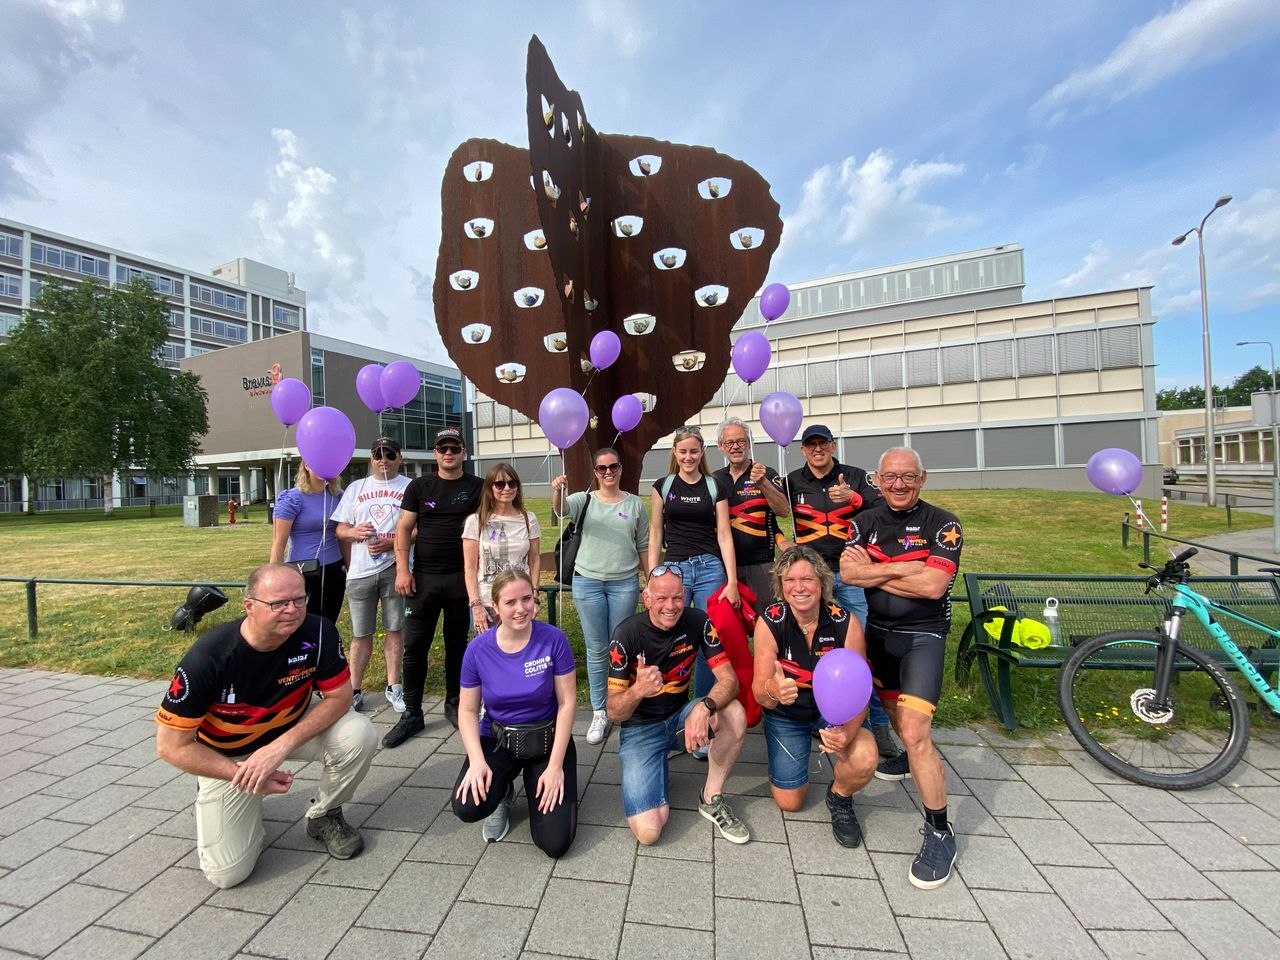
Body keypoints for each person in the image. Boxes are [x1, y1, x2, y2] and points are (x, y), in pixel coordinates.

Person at [155, 563, 377, 889]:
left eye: (299, 600)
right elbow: (170, 746)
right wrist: (241, 775)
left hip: (288, 727)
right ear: (249, 606)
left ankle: (324, 814)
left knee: (359, 733)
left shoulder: (319, 632)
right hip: (230, 754)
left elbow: (340, 698)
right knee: (227, 875)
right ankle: (231, 796)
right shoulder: (208, 658)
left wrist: (279, 747)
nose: (292, 610)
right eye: (278, 603)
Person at [840, 446, 964, 889]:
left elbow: (933, 587)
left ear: (922, 478)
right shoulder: (863, 522)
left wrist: (879, 567)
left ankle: (940, 831)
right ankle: (909, 761)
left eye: (908, 476)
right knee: (895, 715)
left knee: (914, 733)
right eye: (890, 477)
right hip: (879, 637)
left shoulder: (944, 524)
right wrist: (909, 566)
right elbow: (849, 575)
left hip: (922, 638)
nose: (899, 484)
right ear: (877, 479)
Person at [607, 565, 750, 846]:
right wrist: (638, 690)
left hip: (680, 719)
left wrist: (705, 707)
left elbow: (730, 681)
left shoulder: (698, 621)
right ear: (647, 599)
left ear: (685, 596)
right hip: (640, 730)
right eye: (661, 598)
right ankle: (653, 760)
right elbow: (614, 711)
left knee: (734, 712)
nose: (670, 606)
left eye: (677, 598)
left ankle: (711, 798)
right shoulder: (626, 634)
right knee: (649, 833)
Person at [782, 424, 901, 762]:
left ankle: (877, 724)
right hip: (812, 576)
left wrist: (854, 499)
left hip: (851, 574)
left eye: (823, 443)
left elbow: (885, 511)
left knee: (860, 651)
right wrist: (780, 541)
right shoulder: (791, 482)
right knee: (810, 645)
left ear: (833, 446)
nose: (817, 449)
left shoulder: (856, 476)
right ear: (803, 450)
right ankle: (819, 715)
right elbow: (770, 512)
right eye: (811, 445)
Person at [752, 546, 877, 847]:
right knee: (790, 801)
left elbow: (861, 690)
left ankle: (840, 796)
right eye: (790, 580)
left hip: (835, 713)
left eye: (807, 579)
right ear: (780, 585)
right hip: (787, 715)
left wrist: (847, 732)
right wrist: (773, 690)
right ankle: (786, 754)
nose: (799, 587)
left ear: (822, 582)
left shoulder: (846, 622)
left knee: (865, 757)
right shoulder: (769, 621)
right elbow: (758, 692)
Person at [451, 569, 578, 857]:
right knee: (467, 806)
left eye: (526, 599)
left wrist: (555, 767)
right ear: (495, 607)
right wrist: (476, 762)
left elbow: (567, 703)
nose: (521, 609)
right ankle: (503, 792)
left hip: (547, 740)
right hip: (499, 740)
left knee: (555, 843)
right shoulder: (478, 649)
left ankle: (540, 783)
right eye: (510, 602)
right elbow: (468, 710)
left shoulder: (554, 639)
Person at [385, 427, 484, 747]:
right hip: (423, 580)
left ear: (464, 453)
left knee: (457, 645)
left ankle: (454, 702)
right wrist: (402, 569)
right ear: (435, 453)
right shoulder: (419, 486)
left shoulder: (478, 487)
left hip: (460, 579)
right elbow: (404, 528)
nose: (448, 453)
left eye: (454, 448)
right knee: (415, 647)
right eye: (443, 449)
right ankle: (412, 713)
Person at [551, 448, 649, 746]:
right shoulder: (584, 499)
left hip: (624, 583)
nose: (608, 472)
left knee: (622, 648)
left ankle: (623, 703)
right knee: (596, 649)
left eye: (613, 467)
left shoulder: (635, 504)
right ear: (595, 472)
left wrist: (651, 580)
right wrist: (557, 491)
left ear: (621, 469)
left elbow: (643, 544)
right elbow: (561, 510)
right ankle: (599, 710)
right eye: (602, 468)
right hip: (588, 582)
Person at [648, 425, 740, 702]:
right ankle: (665, 703)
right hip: (674, 570)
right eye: (683, 451)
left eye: (694, 451)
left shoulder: (715, 486)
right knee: (667, 633)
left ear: (702, 453)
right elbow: (655, 533)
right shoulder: (663, 486)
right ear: (675, 452)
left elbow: (724, 535)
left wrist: (732, 581)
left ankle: (703, 705)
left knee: (708, 638)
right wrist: (652, 576)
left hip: (709, 568)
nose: (688, 457)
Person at [332, 437, 411, 713]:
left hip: (395, 568)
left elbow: (418, 530)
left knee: (395, 629)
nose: (383, 460)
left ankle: (393, 685)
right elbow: (340, 529)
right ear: (371, 459)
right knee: (360, 633)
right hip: (361, 571)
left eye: (389, 455)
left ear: (399, 458)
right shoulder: (356, 488)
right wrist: (353, 532)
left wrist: (392, 543)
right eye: (378, 455)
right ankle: (355, 689)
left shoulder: (409, 487)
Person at [713, 416, 791, 619]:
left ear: (749, 444)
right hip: (723, 566)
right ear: (721, 447)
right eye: (729, 442)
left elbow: (783, 511)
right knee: (729, 625)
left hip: (761, 564)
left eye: (741, 441)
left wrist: (763, 482)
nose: (735, 447)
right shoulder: (714, 478)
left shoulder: (766, 473)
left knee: (769, 621)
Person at [463, 463, 541, 632]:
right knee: (489, 648)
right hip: (488, 603)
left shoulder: (529, 519)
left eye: (512, 484)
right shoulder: (475, 521)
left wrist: (534, 596)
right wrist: (476, 605)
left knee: (522, 646)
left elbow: (534, 560)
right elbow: (470, 568)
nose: (507, 488)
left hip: (520, 602)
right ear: (490, 488)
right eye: (500, 484)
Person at [269, 462, 347, 625]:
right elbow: (278, 543)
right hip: (303, 570)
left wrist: (350, 567)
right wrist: (274, 577)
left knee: (328, 622)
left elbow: (343, 535)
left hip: (334, 569)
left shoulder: (338, 496)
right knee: (303, 623)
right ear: (306, 465)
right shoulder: (292, 498)